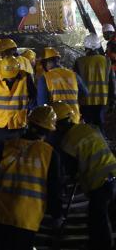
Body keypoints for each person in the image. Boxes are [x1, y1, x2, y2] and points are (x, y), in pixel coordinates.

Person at [0, 105, 62, 250]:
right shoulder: (50, 154)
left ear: (29, 122)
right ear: (49, 130)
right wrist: (57, 215)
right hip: (27, 218)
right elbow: (54, 189)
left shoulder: (6, 146)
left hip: (1, 213)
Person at [52, 101, 116, 250]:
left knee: (97, 222)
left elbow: (69, 172)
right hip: (113, 174)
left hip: (100, 184)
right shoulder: (89, 127)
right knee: (110, 216)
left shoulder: (66, 142)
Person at [0, 56, 36, 157]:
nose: (10, 79)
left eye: (12, 76)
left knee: (16, 157)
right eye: (7, 77)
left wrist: (29, 110)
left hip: (17, 125)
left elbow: (33, 97)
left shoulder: (26, 77)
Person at [74, 33, 115, 132]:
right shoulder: (107, 61)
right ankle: (101, 143)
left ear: (86, 47)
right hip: (102, 101)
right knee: (99, 125)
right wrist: (113, 99)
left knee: (86, 127)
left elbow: (75, 84)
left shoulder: (79, 61)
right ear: (98, 46)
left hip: (85, 102)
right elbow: (112, 83)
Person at [37, 47, 87, 123]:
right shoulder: (73, 75)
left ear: (46, 62)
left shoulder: (45, 78)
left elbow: (42, 104)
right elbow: (85, 93)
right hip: (74, 118)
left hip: (56, 121)